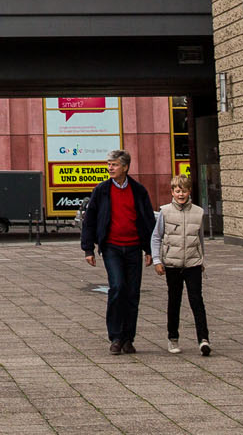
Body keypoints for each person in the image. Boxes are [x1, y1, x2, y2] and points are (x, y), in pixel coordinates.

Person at [79, 148, 155, 355]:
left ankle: (128, 338)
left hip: (133, 248)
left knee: (132, 293)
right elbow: (90, 220)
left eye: (114, 165)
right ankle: (115, 336)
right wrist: (88, 248)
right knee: (118, 287)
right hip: (112, 247)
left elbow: (148, 220)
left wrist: (150, 249)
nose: (110, 168)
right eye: (108, 165)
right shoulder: (101, 190)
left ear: (125, 167)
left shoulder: (138, 191)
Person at [150, 174, 210, 356]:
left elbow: (199, 239)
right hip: (172, 264)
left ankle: (203, 339)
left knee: (196, 300)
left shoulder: (198, 212)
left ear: (189, 191)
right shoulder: (165, 212)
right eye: (177, 191)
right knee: (174, 301)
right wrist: (157, 260)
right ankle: (173, 337)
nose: (181, 194)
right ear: (172, 192)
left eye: (184, 191)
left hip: (192, 262)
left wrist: (201, 260)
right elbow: (156, 237)